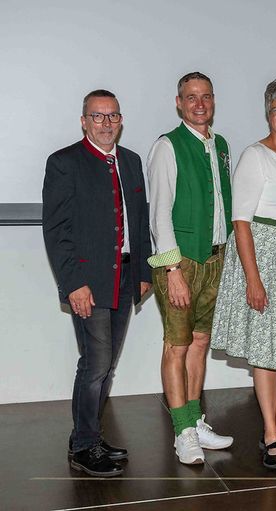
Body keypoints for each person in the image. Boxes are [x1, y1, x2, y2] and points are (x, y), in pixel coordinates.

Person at [42, 89, 152, 477]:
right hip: (88, 282)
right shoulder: (64, 163)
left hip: (125, 277)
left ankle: (89, 435)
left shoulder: (133, 161)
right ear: (84, 121)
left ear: (121, 120)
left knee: (105, 366)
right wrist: (73, 283)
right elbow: (57, 231)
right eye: (98, 116)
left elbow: (139, 222)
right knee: (95, 363)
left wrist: (143, 273)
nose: (106, 124)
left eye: (113, 116)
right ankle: (84, 445)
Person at [211, 79, 276, 469]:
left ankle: (275, 427)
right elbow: (240, 221)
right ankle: (271, 432)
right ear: (267, 114)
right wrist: (252, 279)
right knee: (265, 347)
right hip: (263, 254)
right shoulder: (254, 156)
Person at [147, 71, 234, 465]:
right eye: (191, 97)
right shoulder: (168, 146)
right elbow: (159, 212)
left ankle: (196, 420)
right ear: (179, 103)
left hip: (215, 259)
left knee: (200, 342)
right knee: (176, 345)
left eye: (206, 97)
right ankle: (182, 430)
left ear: (213, 101)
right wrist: (172, 270)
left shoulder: (221, 145)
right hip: (181, 263)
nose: (200, 104)